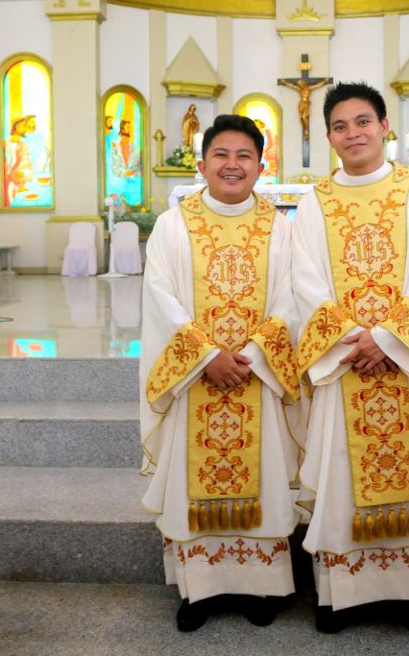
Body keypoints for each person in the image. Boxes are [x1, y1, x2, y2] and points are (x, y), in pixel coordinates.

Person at [291, 82, 409, 636]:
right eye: (340, 126)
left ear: (383, 127)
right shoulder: (314, 203)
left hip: (404, 363)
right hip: (345, 362)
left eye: (363, 122)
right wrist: (356, 339)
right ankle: (343, 595)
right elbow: (305, 282)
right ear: (329, 136)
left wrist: (390, 340)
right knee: (341, 475)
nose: (353, 133)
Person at [139, 115, 301, 632]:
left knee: (268, 478)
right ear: (203, 163)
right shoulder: (174, 223)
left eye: (244, 156)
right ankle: (200, 590)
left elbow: (292, 298)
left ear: (260, 165)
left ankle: (263, 587)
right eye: (222, 155)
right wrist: (208, 356)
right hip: (196, 379)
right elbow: (160, 296)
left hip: (258, 374)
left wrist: (251, 352)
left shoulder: (281, 224)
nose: (232, 166)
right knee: (194, 482)